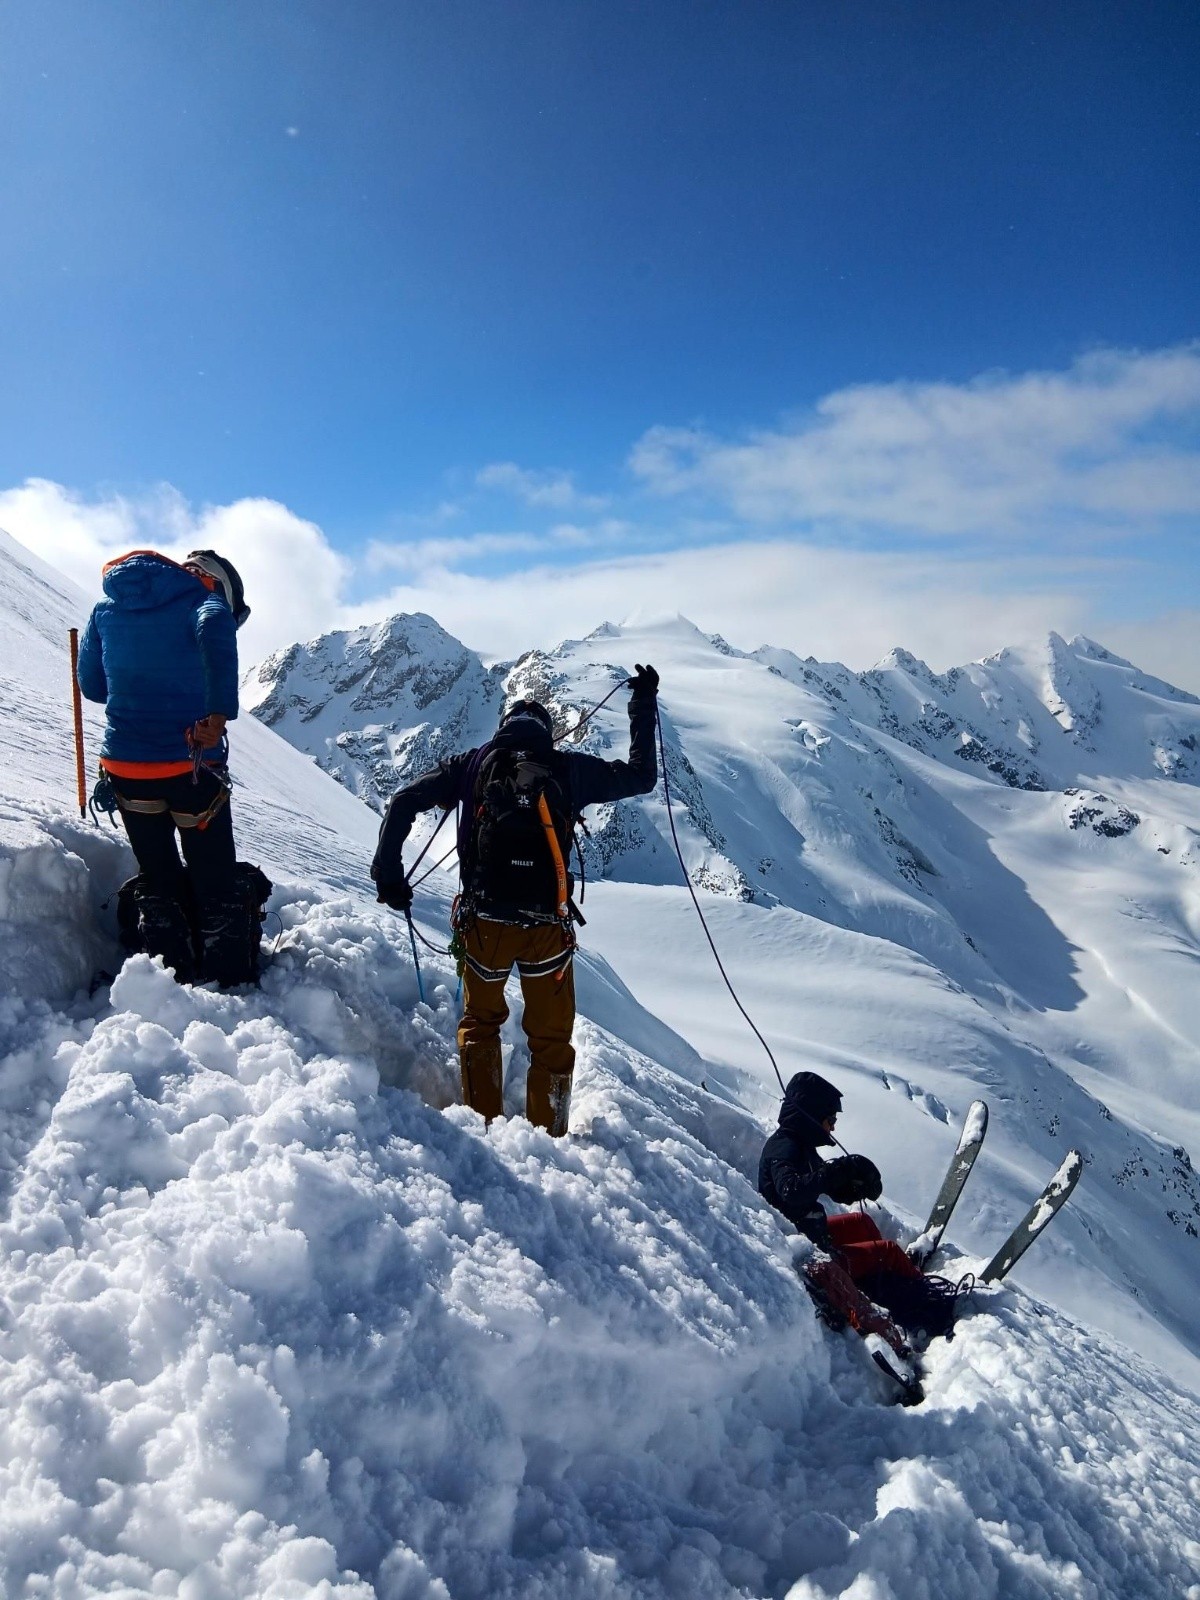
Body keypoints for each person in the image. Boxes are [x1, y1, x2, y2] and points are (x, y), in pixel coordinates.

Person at [371, 665, 660, 1136]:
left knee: (481, 1025)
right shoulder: (569, 770)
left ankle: (484, 1128)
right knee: (551, 1040)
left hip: (484, 926)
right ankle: (548, 1139)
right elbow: (641, 776)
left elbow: (404, 800)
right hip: (546, 931)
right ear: (545, 731)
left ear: (504, 726)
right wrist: (642, 704)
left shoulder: (473, 765)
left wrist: (389, 875)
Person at [77, 548, 258, 987]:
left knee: (157, 875)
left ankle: (168, 975)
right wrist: (218, 713)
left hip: (127, 769)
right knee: (214, 877)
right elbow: (216, 633)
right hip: (191, 766)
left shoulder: (106, 607)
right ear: (219, 583)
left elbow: (93, 686)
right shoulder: (205, 601)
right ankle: (228, 981)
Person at [760, 1071, 963, 1343]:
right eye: (830, 1120)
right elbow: (792, 1190)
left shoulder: (799, 1145)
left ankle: (889, 1282)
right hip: (805, 1251)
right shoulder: (783, 1149)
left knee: (862, 1223)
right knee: (888, 1251)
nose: (833, 1128)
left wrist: (851, 1185)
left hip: (810, 1230)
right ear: (811, 1116)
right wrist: (837, 1170)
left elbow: (822, 1184)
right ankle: (925, 1303)